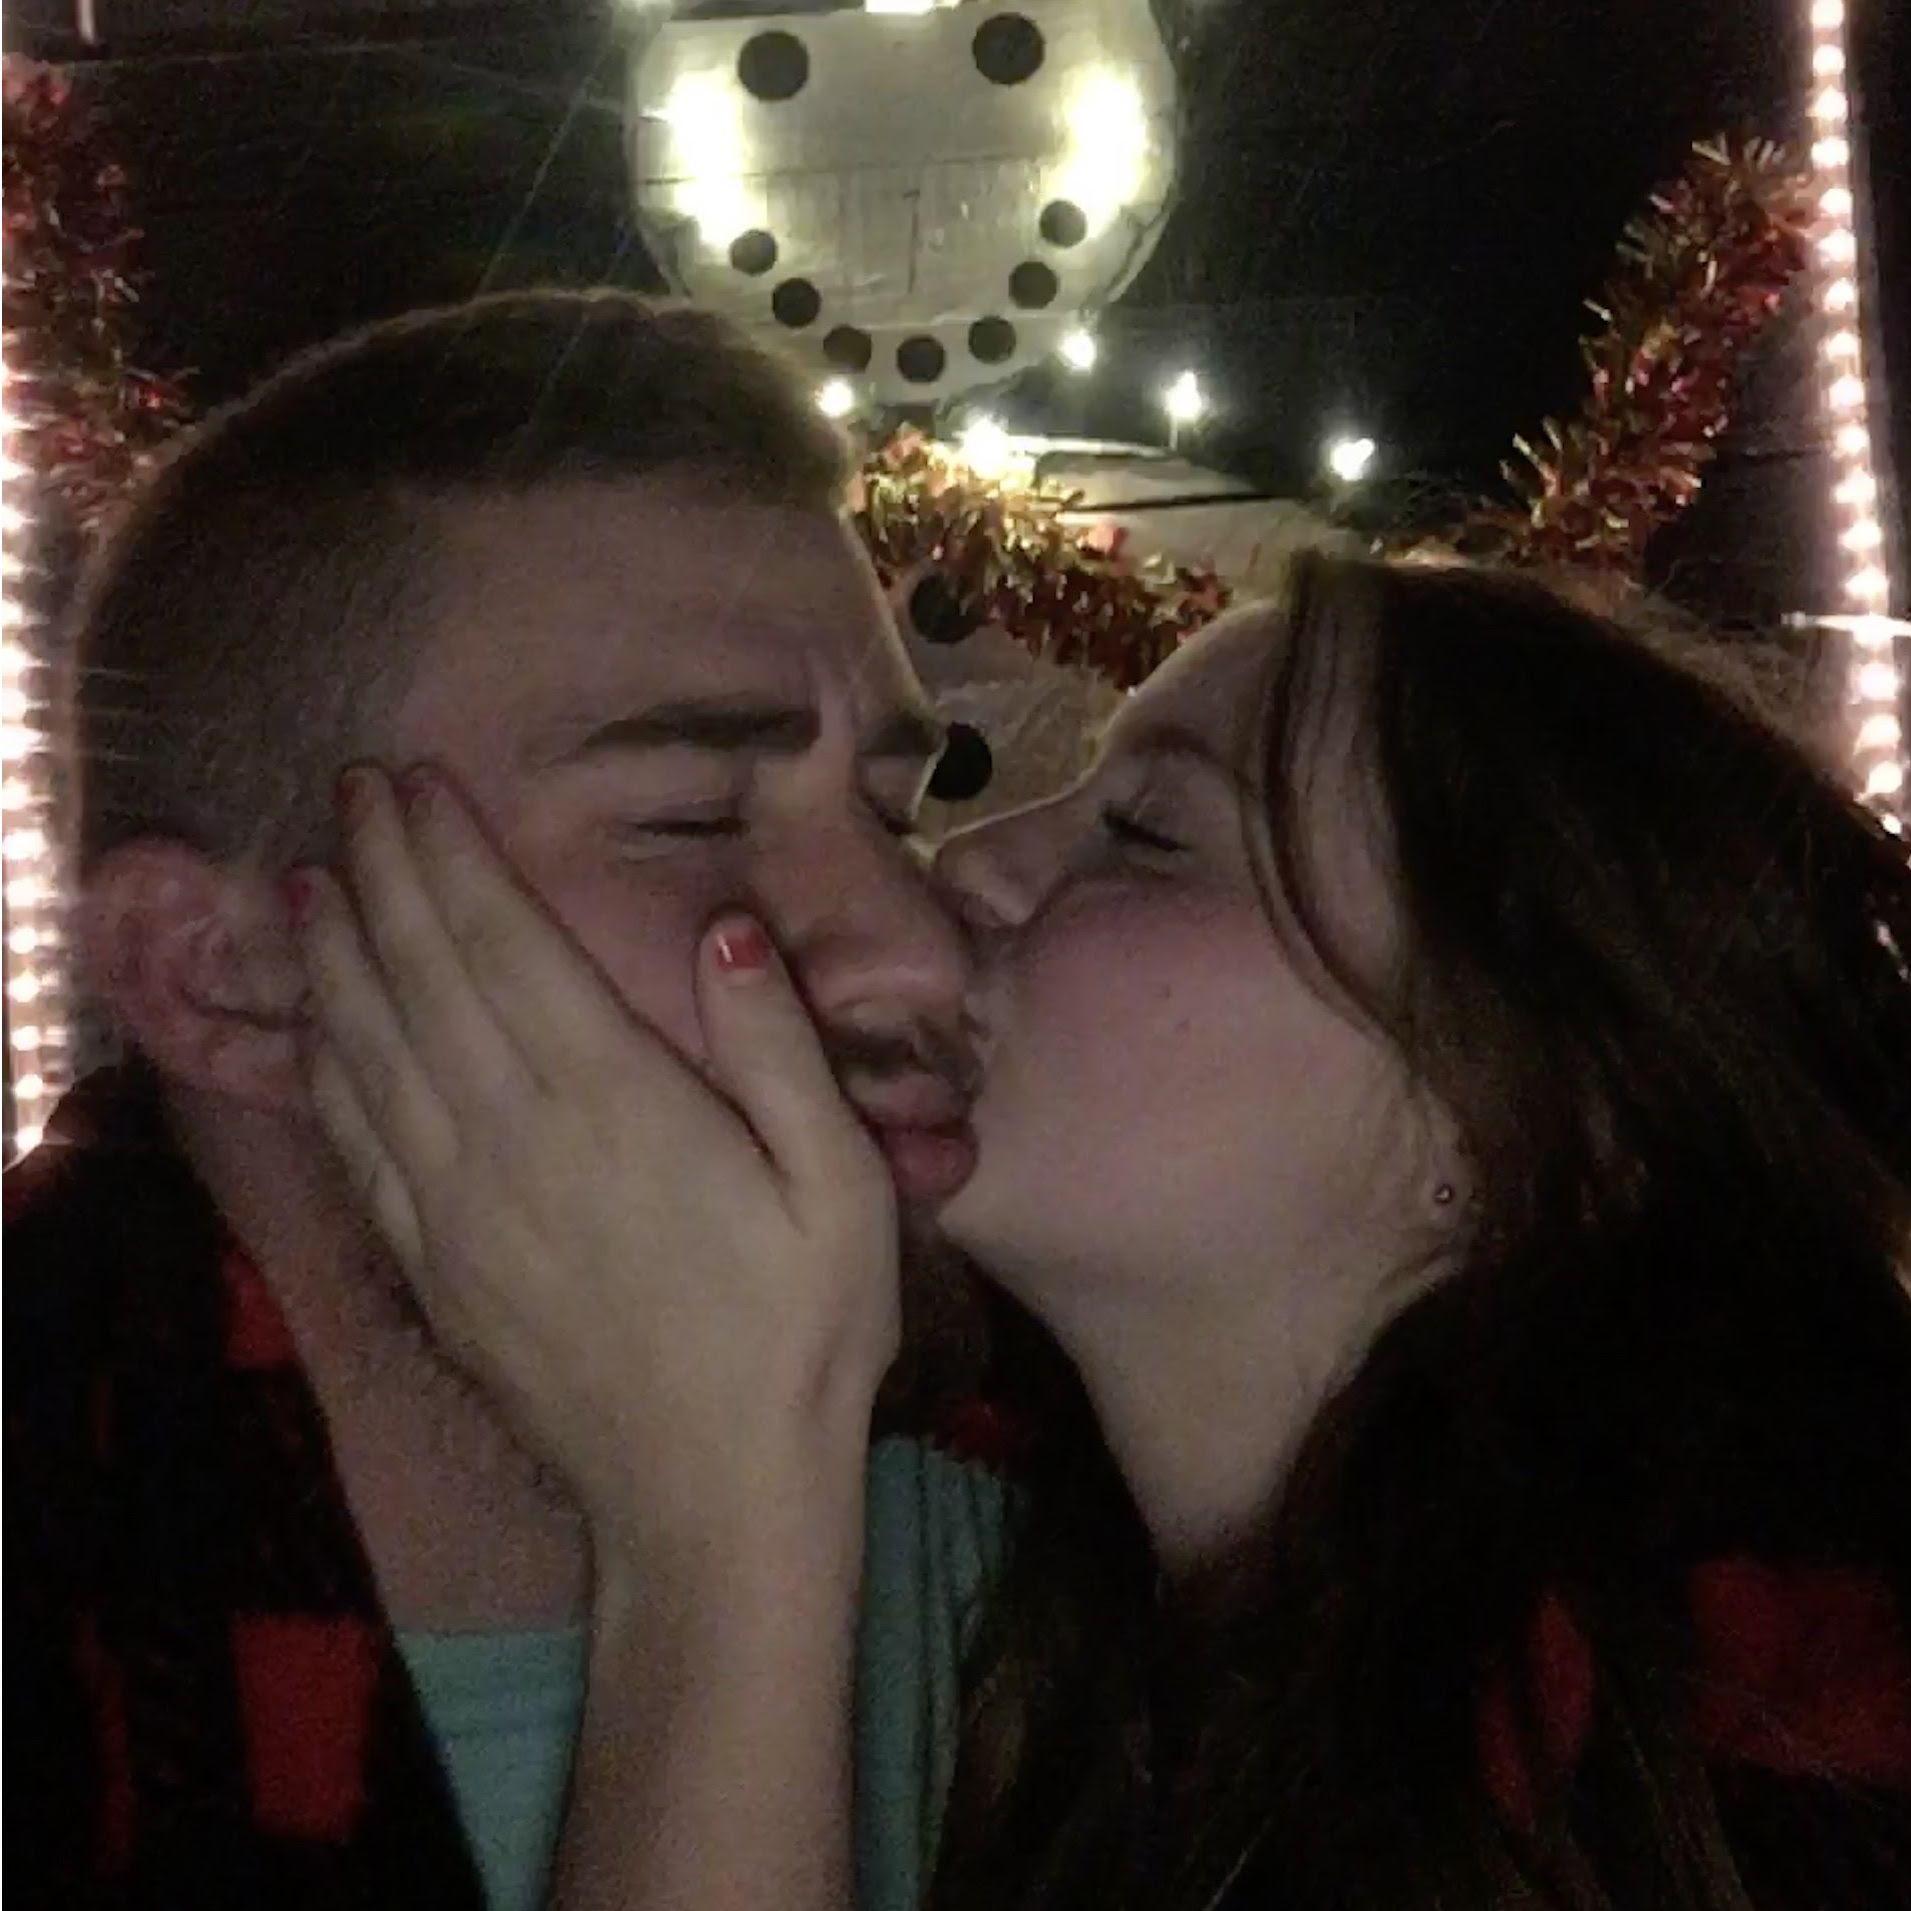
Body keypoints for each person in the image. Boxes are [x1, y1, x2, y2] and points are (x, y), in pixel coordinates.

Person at [293, 552, 1911, 1909]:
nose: (967, 864)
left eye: (1146, 835)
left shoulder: (1767, 1745)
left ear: (1532, 1123)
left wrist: (713, 1522)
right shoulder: (1077, 1640)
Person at [5, 289, 1008, 1911]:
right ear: (213, 973)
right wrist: (721, 1546)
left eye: (896, 813)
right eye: (688, 818)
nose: (919, 950)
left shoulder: (1071, 1532)